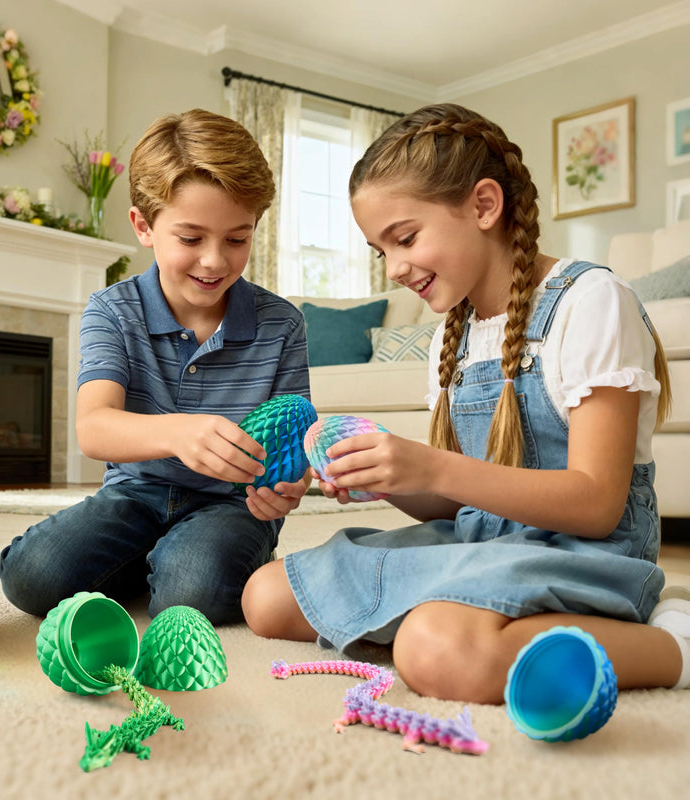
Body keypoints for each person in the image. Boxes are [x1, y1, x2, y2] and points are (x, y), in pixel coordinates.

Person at [242, 102, 690, 704]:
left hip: (586, 555)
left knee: (437, 650)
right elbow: (453, 506)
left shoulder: (592, 301)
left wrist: (431, 465)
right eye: (381, 251)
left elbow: (598, 507)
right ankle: (474, 614)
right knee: (267, 597)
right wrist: (389, 477)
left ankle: (672, 643)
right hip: (486, 548)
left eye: (405, 239)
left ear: (484, 206)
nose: (394, 269)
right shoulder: (452, 338)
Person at [0, 109, 311, 623]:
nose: (215, 260)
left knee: (193, 598)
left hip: (232, 503)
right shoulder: (112, 309)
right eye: (191, 239)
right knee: (30, 576)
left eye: (238, 239)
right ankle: (157, 560)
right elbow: (95, 428)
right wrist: (177, 433)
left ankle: (176, 563)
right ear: (144, 226)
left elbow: (293, 438)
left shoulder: (281, 324)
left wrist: (287, 487)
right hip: (135, 494)